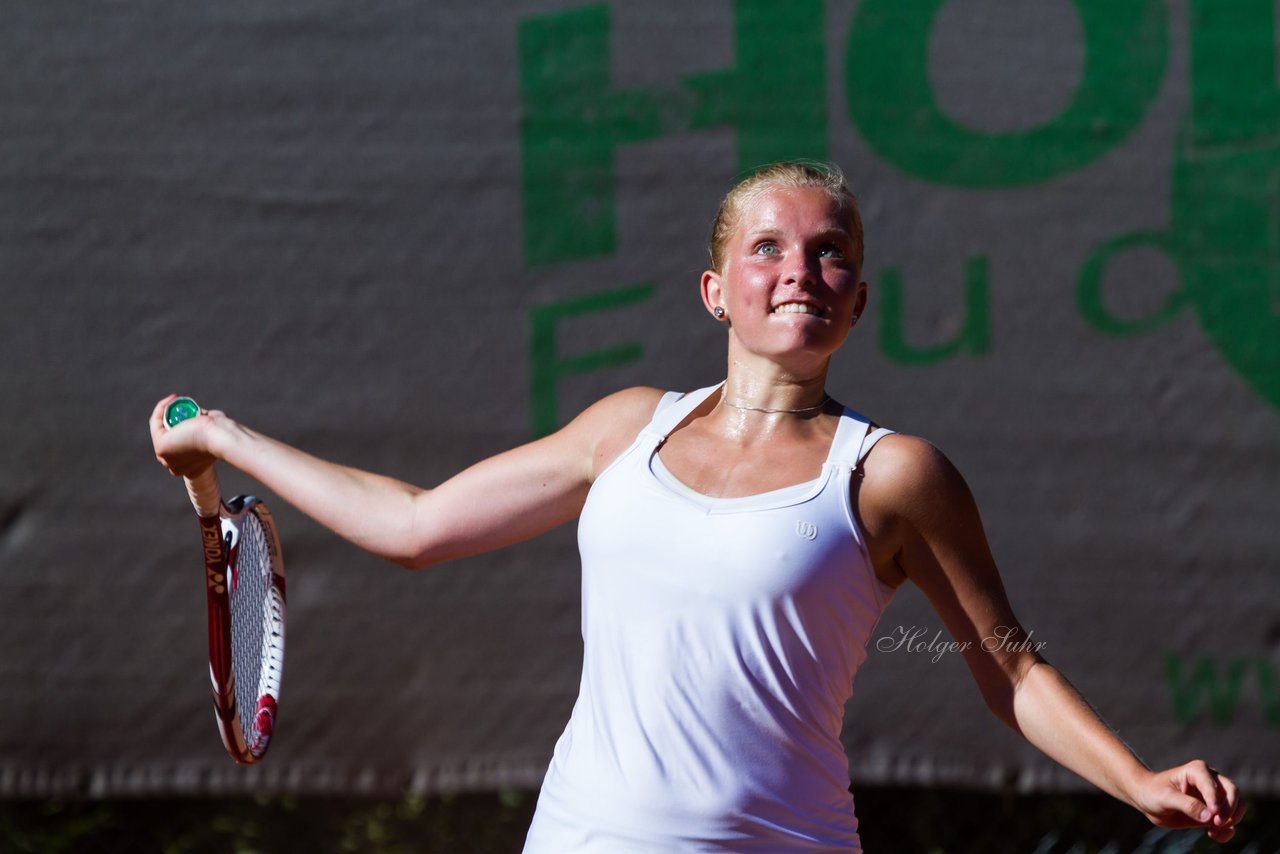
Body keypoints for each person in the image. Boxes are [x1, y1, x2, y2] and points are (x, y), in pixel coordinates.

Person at [150, 162, 1245, 851]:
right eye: (765, 246)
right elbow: (415, 525)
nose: (798, 269)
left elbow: (1008, 666)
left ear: (855, 303)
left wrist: (1134, 777)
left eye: (829, 254)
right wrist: (222, 433)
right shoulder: (623, 426)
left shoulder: (893, 476)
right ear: (715, 289)